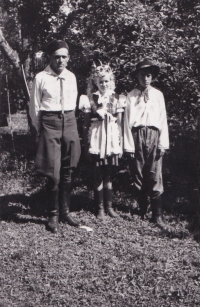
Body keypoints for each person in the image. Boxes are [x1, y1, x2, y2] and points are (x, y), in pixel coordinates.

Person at [29, 40, 81, 233]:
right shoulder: (41, 77)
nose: (60, 60)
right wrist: (41, 129)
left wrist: (69, 121)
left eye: (64, 57)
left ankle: (65, 211)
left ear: (68, 58)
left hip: (68, 120)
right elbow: (34, 108)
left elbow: (73, 102)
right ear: (50, 57)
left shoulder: (71, 77)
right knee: (53, 171)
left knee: (68, 167)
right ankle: (52, 214)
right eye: (57, 56)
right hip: (49, 123)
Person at [124, 58, 170, 231]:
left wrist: (162, 143)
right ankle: (142, 209)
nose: (146, 78)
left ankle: (157, 215)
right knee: (137, 172)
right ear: (137, 76)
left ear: (153, 77)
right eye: (142, 75)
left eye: (149, 75)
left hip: (153, 135)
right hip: (136, 135)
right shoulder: (130, 96)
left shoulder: (158, 95)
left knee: (154, 173)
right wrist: (128, 145)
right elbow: (126, 123)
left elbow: (162, 120)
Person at [79, 62, 126, 220]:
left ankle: (109, 207)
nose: (104, 84)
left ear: (111, 81)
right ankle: (99, 208)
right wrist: (86, 146)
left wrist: (119, 144)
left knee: (109, 174)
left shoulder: (117, 98)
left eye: (106, 81)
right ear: (95, 82)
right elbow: (85, 125)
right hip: (97, 139)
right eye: (100, 81)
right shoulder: (89, 99)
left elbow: (119, 124)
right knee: (98, 173)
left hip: (111, 139)